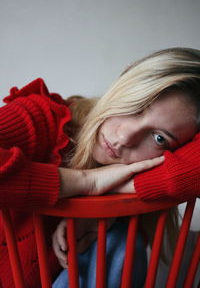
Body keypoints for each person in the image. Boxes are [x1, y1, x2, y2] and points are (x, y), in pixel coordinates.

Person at [0, 47, 199, 287]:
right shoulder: (43, 119)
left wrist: (107, 204)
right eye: (136, 105)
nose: (125, 137)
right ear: (124, 79)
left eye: (159, 138)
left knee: (120, 239)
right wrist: (86, 181)